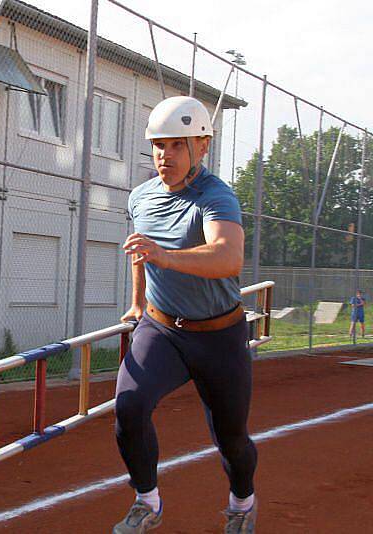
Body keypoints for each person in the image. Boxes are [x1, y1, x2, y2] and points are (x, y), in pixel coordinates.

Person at [113, 96, 257, 533]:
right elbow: (140, 250)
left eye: (177, 145)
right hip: (163, 329)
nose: (165, 156)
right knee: (130, 407)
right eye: (159, 145)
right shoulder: (140, 197)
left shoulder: (216, 197)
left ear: (203, 146)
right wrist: (138, 302)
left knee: (231, 438)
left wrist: (166, 256)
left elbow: (227, 257)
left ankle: (242, 503)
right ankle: (147, 501)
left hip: (220, 335)